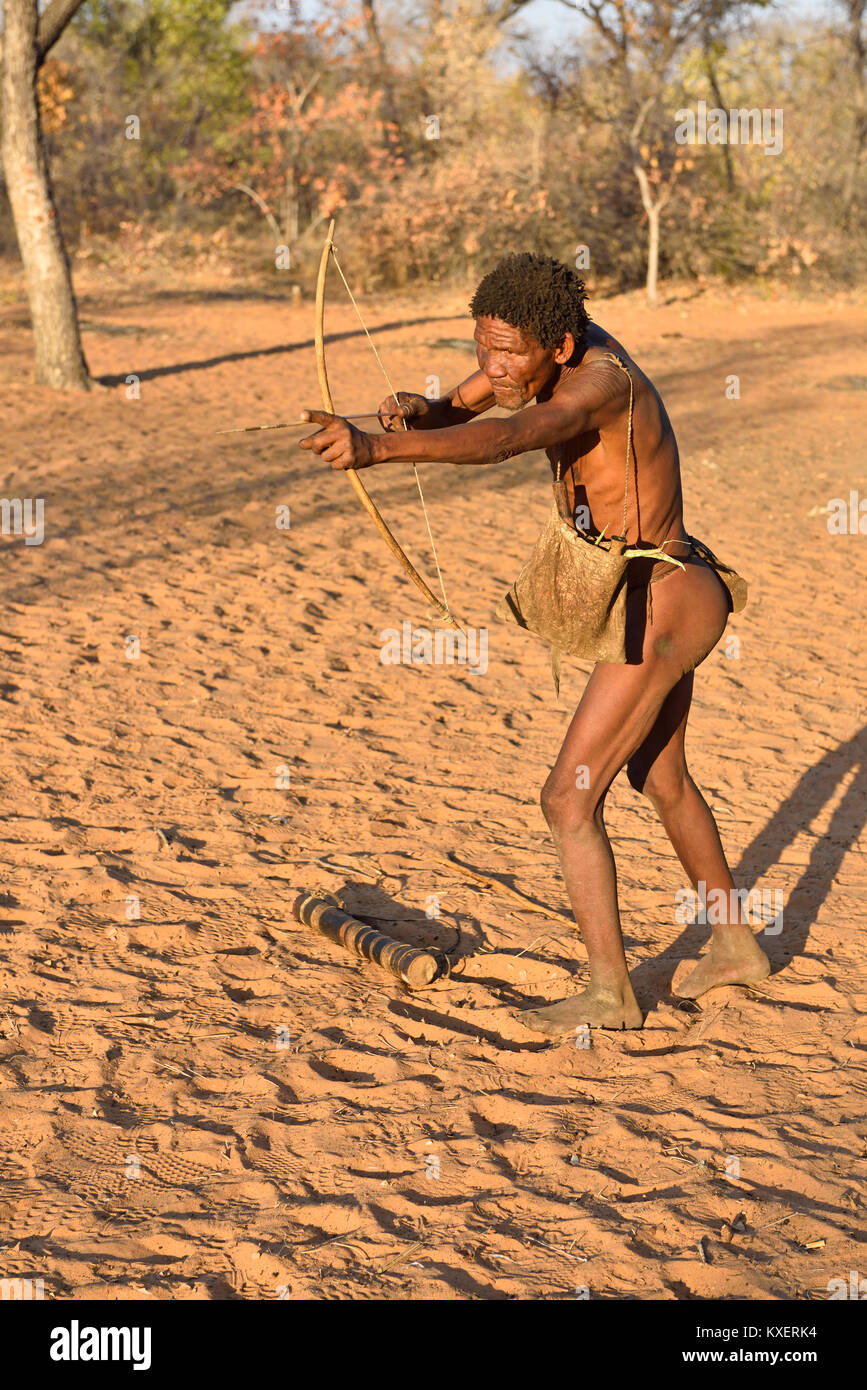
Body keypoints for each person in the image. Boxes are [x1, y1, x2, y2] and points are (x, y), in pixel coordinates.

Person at [300, 252, 770, 1034]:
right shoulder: (533, 354)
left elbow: (513, 435)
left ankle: (611, 996)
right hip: (656, 597)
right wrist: (426, 409)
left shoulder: (597, 382)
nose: (492, 364)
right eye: (482, 344)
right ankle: (733, 945)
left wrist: (376, 450)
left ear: (557, 345)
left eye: (507, 351)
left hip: (661, 601)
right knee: (662, 781)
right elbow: (477, 404)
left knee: (567, 797)